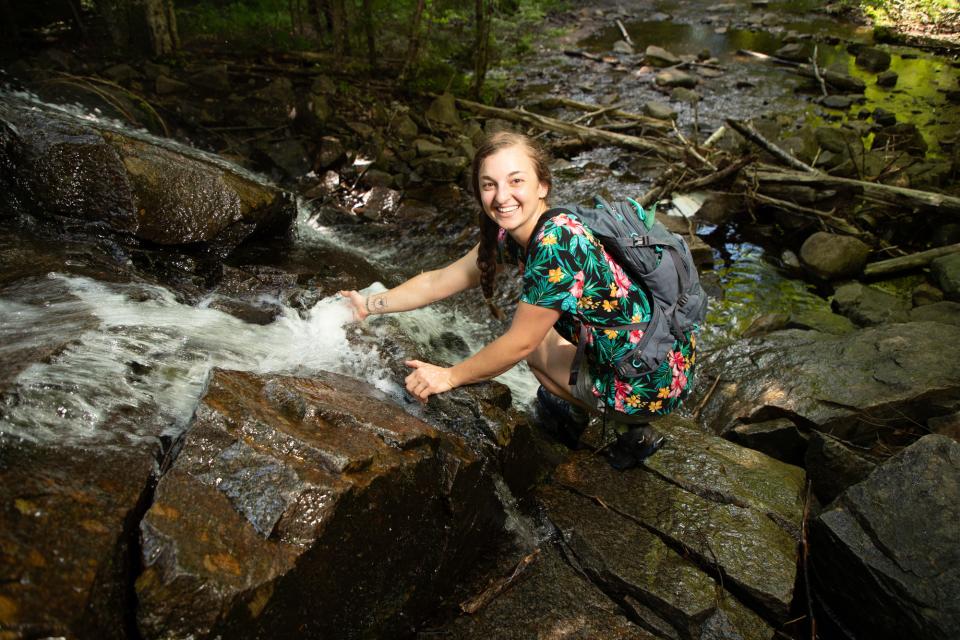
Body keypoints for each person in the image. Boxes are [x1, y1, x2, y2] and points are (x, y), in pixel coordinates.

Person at [340, 131, 696, 468]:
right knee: (542, 329)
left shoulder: (556, 245)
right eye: (489, 184)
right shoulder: (538, 226)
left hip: (650, 387)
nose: (501, 196)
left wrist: (449, 377)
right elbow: (440, 280)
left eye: (515, 181)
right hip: (664, 360)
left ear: (542, 185)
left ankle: (628, 429)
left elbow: (519, 345)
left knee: (535, 345)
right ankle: (584, 409)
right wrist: (370, 304)